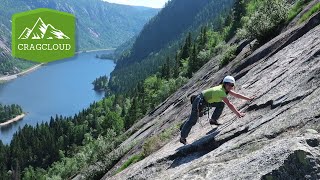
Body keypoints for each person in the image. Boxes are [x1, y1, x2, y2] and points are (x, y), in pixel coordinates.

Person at [179, 75, 254, 145]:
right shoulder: (220, 91)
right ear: (224, 84)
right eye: (229, 84)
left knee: (220, 104)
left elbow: (236, 95)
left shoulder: (225, 89)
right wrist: (238, 113)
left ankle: (213, 120)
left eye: (232, 85)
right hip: (200, 101)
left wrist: (248, 98)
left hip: (206, 101)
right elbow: (229, 104)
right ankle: (182, 138)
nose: (230, 86)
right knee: (193, 121)